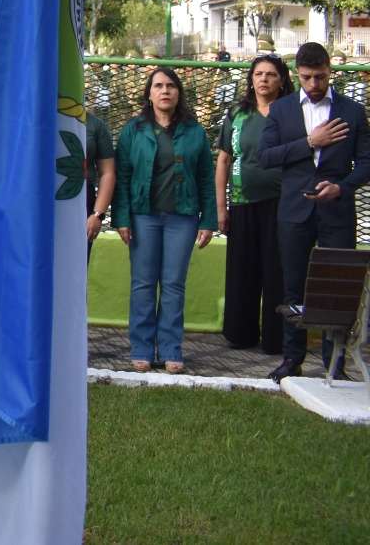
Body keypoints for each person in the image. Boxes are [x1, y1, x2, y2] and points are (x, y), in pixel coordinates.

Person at [258, 42, 370, 380]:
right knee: (293, 286)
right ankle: (293, 359)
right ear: (297, 74)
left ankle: (333, 360)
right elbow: (265, 157)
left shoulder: (352, 110)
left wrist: (343, 186)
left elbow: (366, 162)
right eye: (306, 78)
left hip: (337, 209)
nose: (314, 85)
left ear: (330, 69)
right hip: (294, 210)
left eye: (320, 77)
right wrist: (310, 142)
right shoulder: (282, 109)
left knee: (337, 287)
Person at [111, 67, 217, 373]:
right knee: (143, 284)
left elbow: (206, 179)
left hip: (181, 218)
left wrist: (208, 220)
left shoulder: (194, 131)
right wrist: (121, 218)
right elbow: (123, 176)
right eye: (158, 85)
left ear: (179, 92)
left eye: (171, 85)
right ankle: (142, 347)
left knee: (173, 284)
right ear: (149, 93)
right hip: (143, 216)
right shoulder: (134, 130)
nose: (165, 91)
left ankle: (171, 349)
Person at [214, 55, 291, 354]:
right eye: (258, 74)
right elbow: (223, 159)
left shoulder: (290, 113)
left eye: (271, 75)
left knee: (276, 272)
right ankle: (241, 333)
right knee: (242, 270)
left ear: (282, 80)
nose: (264, 80)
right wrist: (222, 207)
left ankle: (276, 340)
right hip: (243, 203)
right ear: (250, 79)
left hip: (281, 205)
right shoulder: (237, 114)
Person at [84, 106, 117, 260]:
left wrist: (97, 214)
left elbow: (107, 172)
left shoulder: (94, 125)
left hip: (82, 198)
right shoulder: (29, 116)